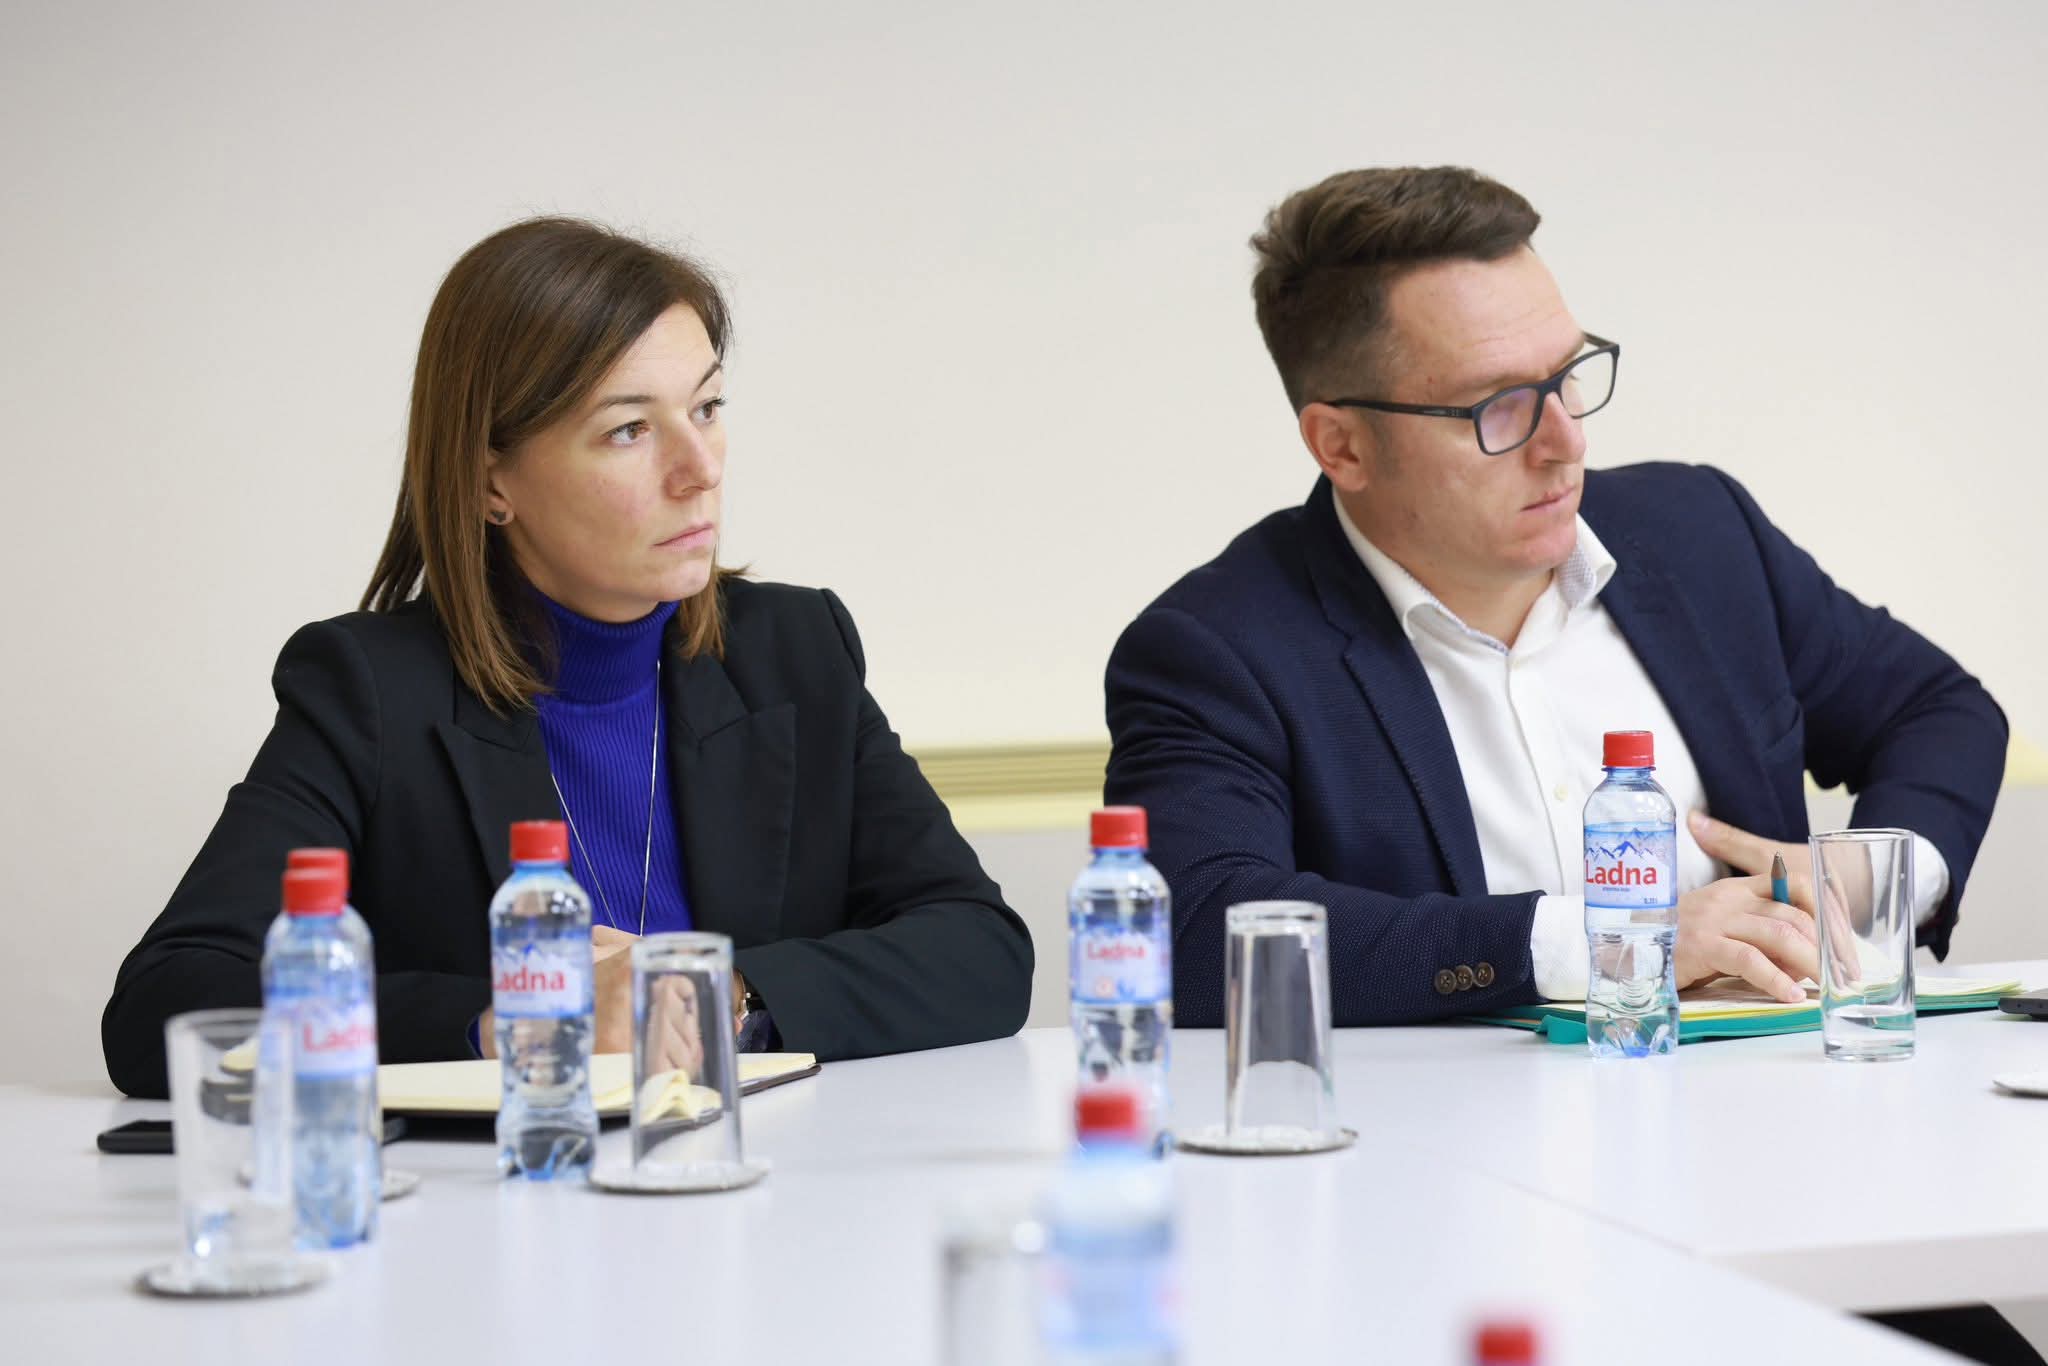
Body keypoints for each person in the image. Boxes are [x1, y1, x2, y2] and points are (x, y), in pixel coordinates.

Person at [103, 218, 1032, 1098]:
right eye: (630, 429)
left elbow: (981, 948)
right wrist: (518, 1022)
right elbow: (164, 1006)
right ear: (490, 479)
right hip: (508, 1192)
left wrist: (712, 992)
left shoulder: (795, 651)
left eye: (707, 407)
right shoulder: (370, 691)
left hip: (769, 1180)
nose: (700, 467)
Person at [1103, 166, 2007, 1030]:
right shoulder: (1218, 649)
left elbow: (1937, 709)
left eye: (1568, 373)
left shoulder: (1700, 535)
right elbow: (1199, 927)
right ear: (1341, 446)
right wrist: (1607, 941)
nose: (1566, 440)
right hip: (1443, 1134)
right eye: (1499, 405)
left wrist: (1866, 884)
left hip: (1777, 1103)